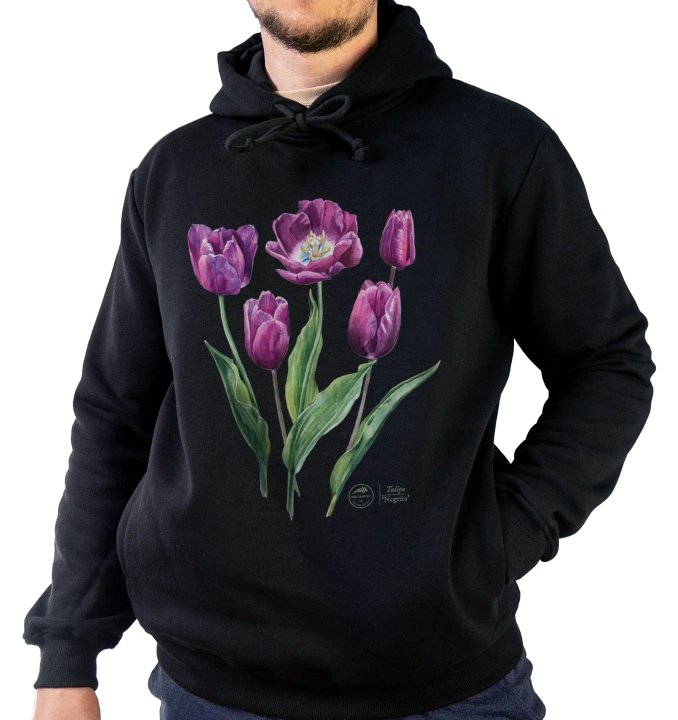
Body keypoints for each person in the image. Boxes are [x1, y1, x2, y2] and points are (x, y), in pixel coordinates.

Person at [25, 0, 655, 718]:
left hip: (447, 688)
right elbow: (115, 409)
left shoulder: (498, 151)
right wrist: (68, 653)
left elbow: (610, 362)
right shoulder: (174, 168)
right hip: (208, 687)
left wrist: (501, 538)